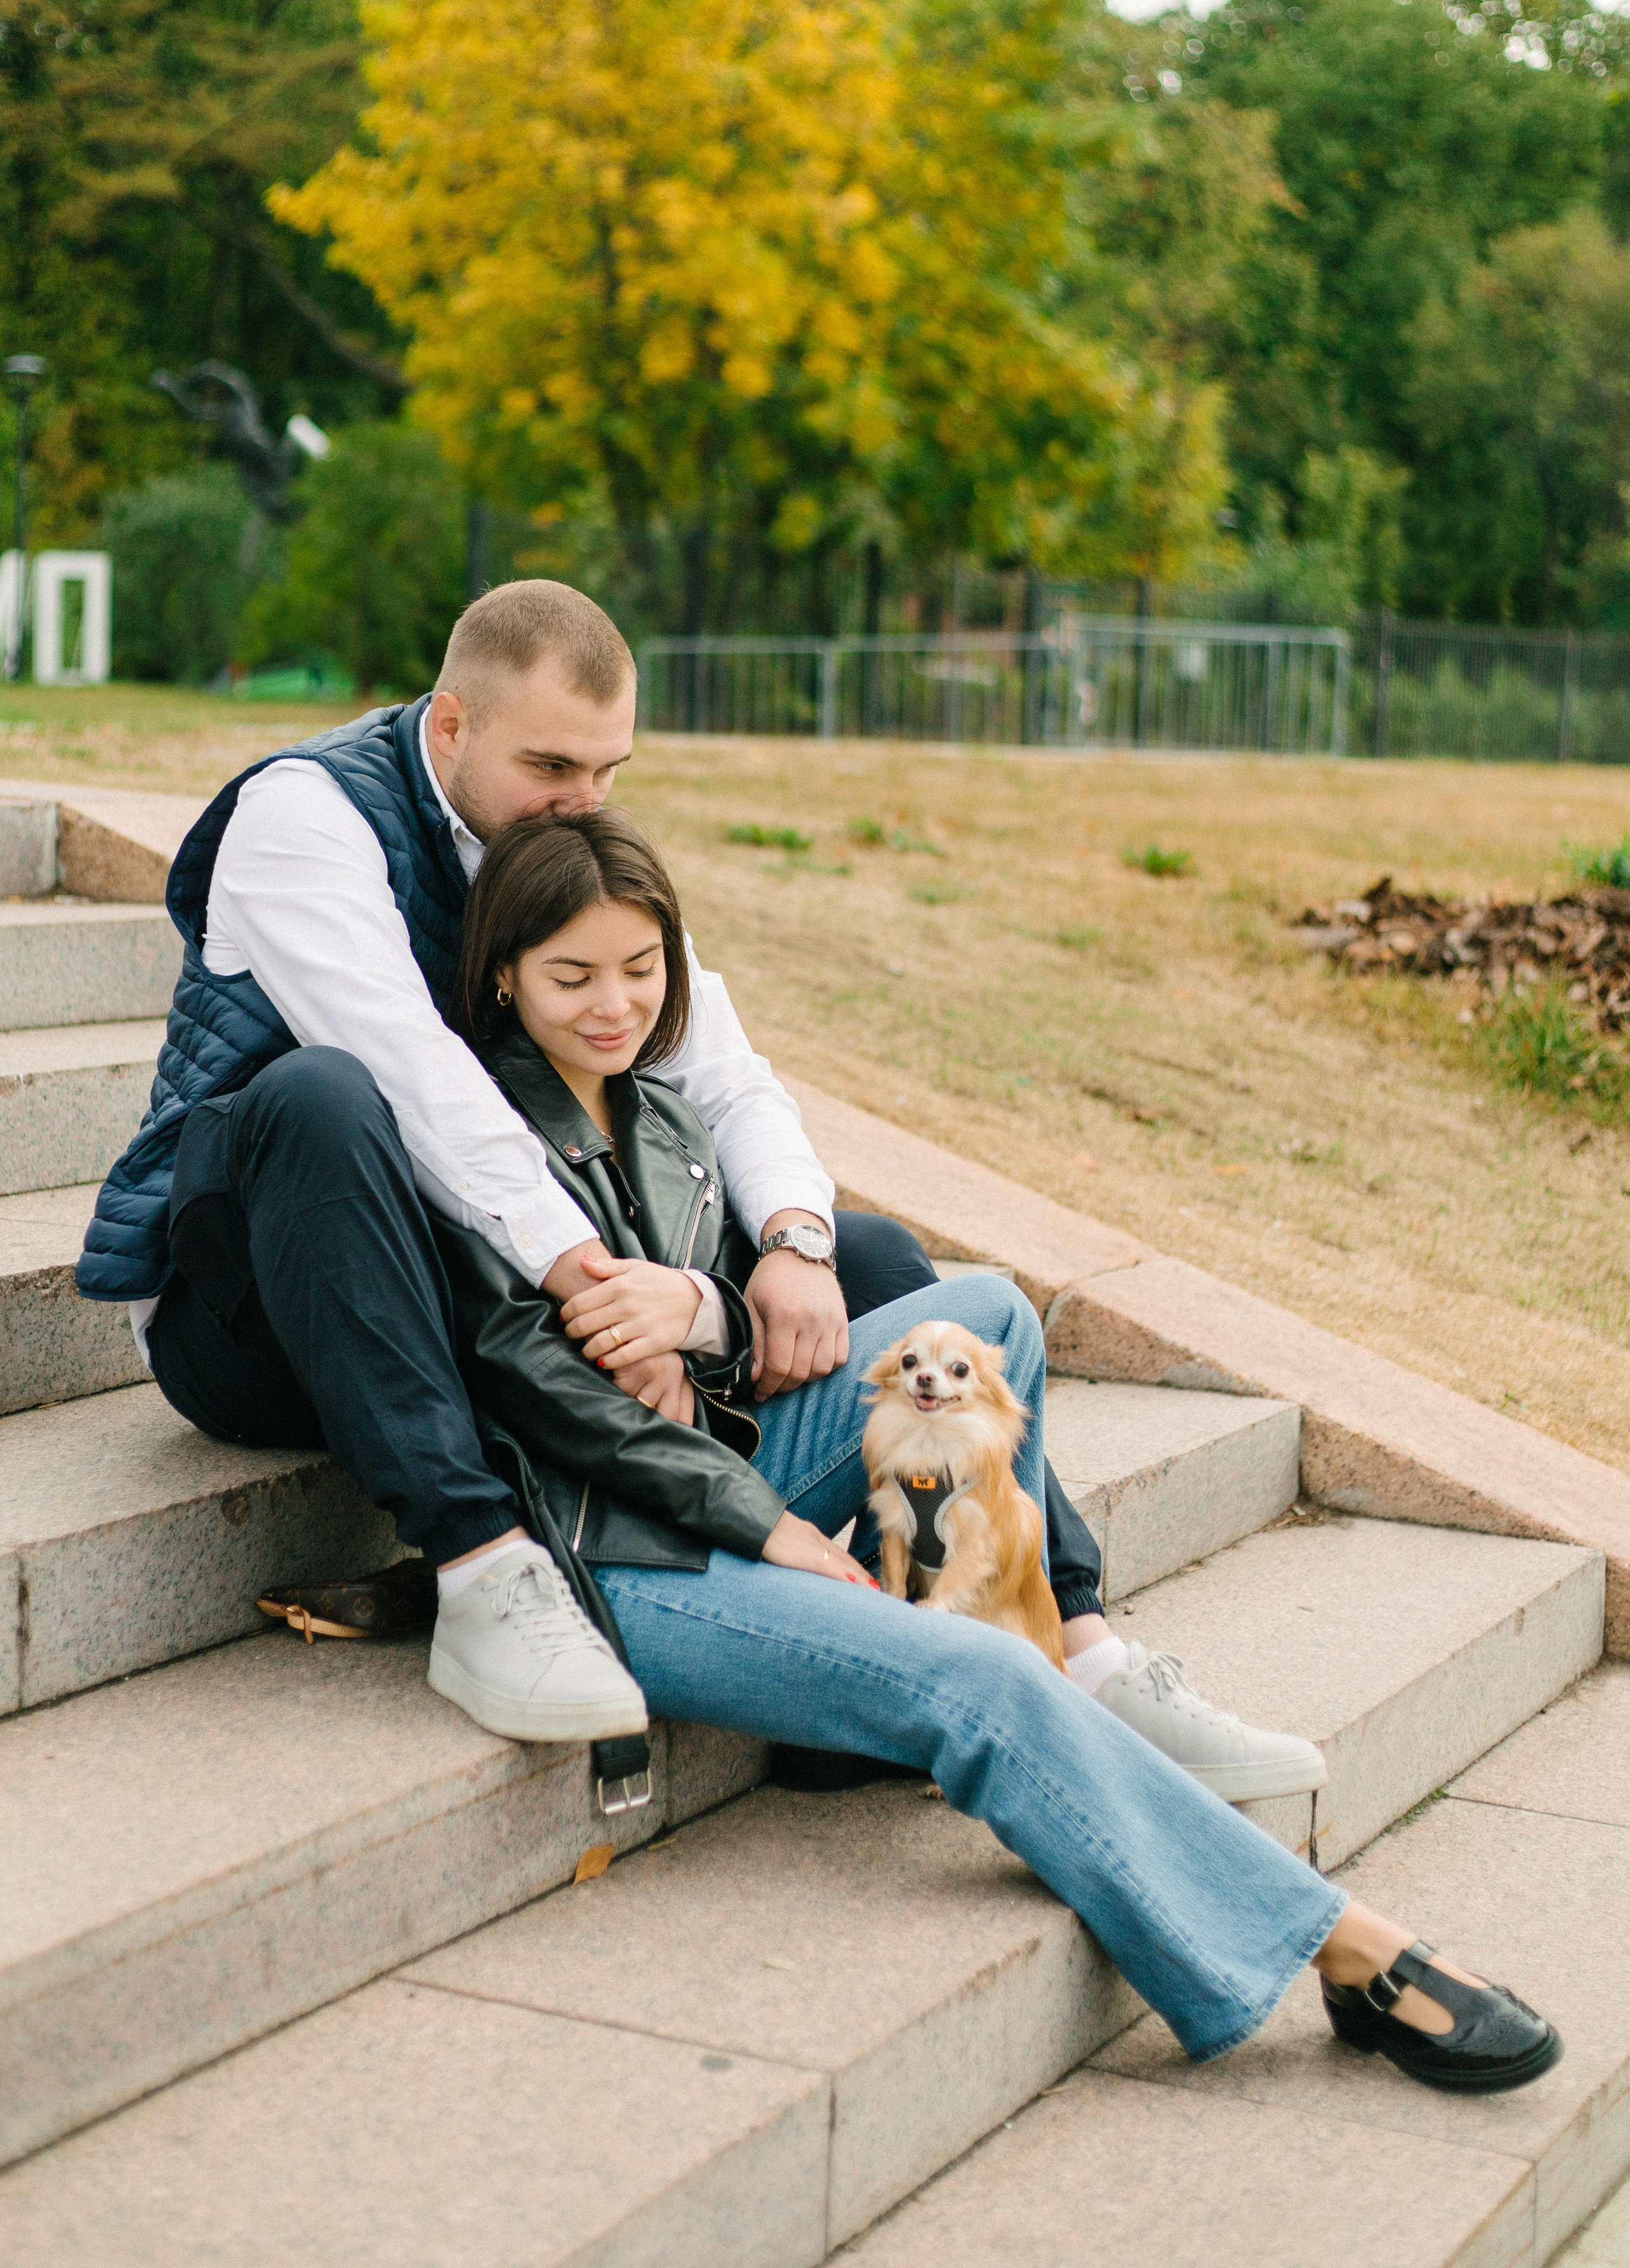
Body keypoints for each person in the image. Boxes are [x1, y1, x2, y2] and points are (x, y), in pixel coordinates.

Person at [76, 578, 1314, 1787]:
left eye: (609, 773)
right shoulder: (305, 817)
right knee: (324, 1094)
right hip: (273, 1312)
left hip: (490, 1297)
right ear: (451, 726)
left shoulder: (554, 850)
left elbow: (719, 1068)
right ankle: (481, 1564)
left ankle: (1042, 1638)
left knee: (872, 1265)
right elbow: (417, 1086)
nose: (582, 803)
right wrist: (610, 1296)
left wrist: (789, 1244)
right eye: (553, 770)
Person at [421, 800, 1559, 2092]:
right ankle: (1340, 1948)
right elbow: (536, 1391)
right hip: (616, 1556)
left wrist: (714, 1320)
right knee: (985, 1683)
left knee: (980, 1316)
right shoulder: (468, 1136)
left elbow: (708, 1339)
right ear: (502, 973)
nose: (613, 1005)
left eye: (641, 969)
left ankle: (967, 1677)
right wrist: (762, 1520)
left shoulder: (662, 1120)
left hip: (706, 1466)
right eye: (571, 977)